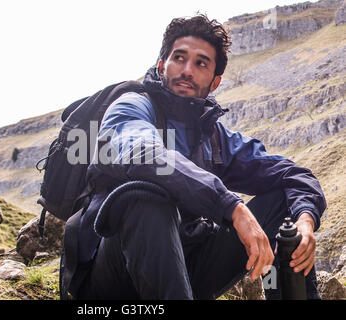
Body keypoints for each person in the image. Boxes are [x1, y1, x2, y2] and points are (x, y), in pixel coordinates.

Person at [61, 13, 326, 300]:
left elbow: (293, 175)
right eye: (179, 58)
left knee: (285, 205)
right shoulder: (131, 107)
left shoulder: (213, 137)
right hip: (110, 280)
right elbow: (144, 155)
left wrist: (305, 219)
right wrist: (233, 208)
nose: (187, 70)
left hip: (185, 274)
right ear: (162, 65)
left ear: (214, 82)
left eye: (201, 63)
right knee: (143, 198)